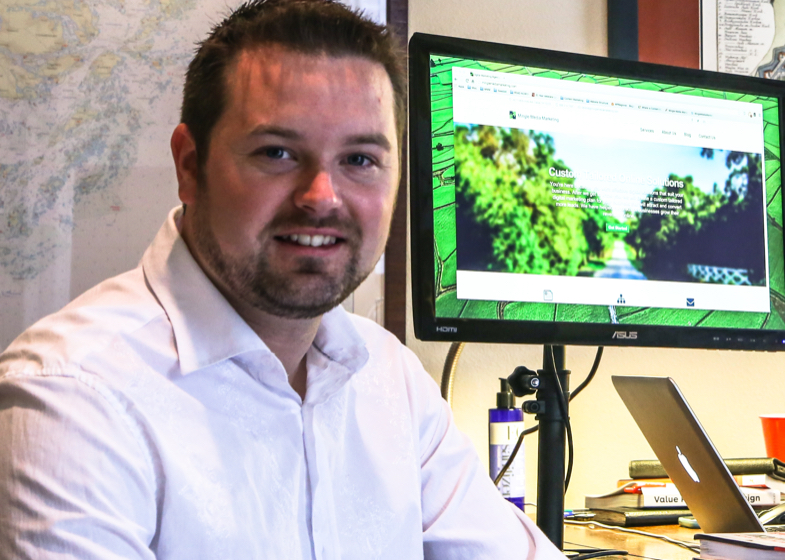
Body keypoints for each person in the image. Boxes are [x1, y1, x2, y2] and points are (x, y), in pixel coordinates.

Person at [0, 0, 565, 558]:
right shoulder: (72, 396)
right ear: (189, 165)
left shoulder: (390, 377)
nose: (322, 196)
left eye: (360, 159)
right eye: (277, 152)